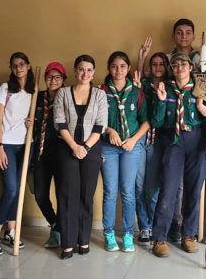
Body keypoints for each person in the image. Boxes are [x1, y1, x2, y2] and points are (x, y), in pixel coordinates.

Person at [150, 53, 206, 258]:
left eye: (183, 64)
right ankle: (160, 238)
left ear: (191, 67)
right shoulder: (166, 89)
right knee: (168, 190)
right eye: (175, 65)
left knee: (193, 191)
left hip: (197, 142)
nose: (179, 68)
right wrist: (161, 101)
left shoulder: (202, 87)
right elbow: (156, 122)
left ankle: (188, 235)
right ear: (172, 69)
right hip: (174, 143)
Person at [54, 55, 107, 259]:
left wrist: (84, 147)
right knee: (68, 195)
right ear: (75, 71)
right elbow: (59, 123)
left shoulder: (100, 95)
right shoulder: (63, 93)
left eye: (89, 70)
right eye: (81, 69)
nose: (85, 74)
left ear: (93, 72)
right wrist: (74, 147)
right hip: (67, 147)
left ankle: (83, 240)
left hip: (91, 148)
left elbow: (100, 125)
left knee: (87, 194)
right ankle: (67, 243)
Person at [100, 52, 150, 252]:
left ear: (128, 68)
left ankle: (128, 233)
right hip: (108, 148)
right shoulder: (101, 92)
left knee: (128, 192)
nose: (118, 70)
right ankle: (109, 232)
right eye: (114, 66)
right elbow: (96, 120)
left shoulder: (137, 92)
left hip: (131, 147)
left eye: (122, 66)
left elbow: (146, 121)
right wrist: (109, 130)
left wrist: (134, 140)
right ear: (109, 68)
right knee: (110, 191)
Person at [0, 52, 35, 256]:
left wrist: (31, 122)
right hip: (6, 143)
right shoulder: (5, 89)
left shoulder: (35, 90)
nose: (18, 68)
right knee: (11, 190)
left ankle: (12, 231)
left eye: (22, 64)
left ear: (29, 66)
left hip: (26, 144)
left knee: (19, 189)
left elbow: (36, 116)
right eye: (14, 65)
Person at [134, 51, 169, 246]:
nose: (157, 68)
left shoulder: (169, 88)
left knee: (152, 189)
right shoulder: (144, 85)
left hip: (158, 145)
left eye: (161, 64)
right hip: (140, 141)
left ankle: (157, 226)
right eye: (153, 64)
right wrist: (140, 59)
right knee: (138, 187)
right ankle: (144, 226)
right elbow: (138, 80)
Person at [31, 62, 67, 249]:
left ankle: (59, 231)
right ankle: (55, 223)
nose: (53, 80)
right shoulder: (37, 98)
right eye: (50, 77)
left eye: (57, 77)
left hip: (61, 152)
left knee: (62, 194)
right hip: (41, 152)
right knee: (40, 194)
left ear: (63, 80)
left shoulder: (67, 98)